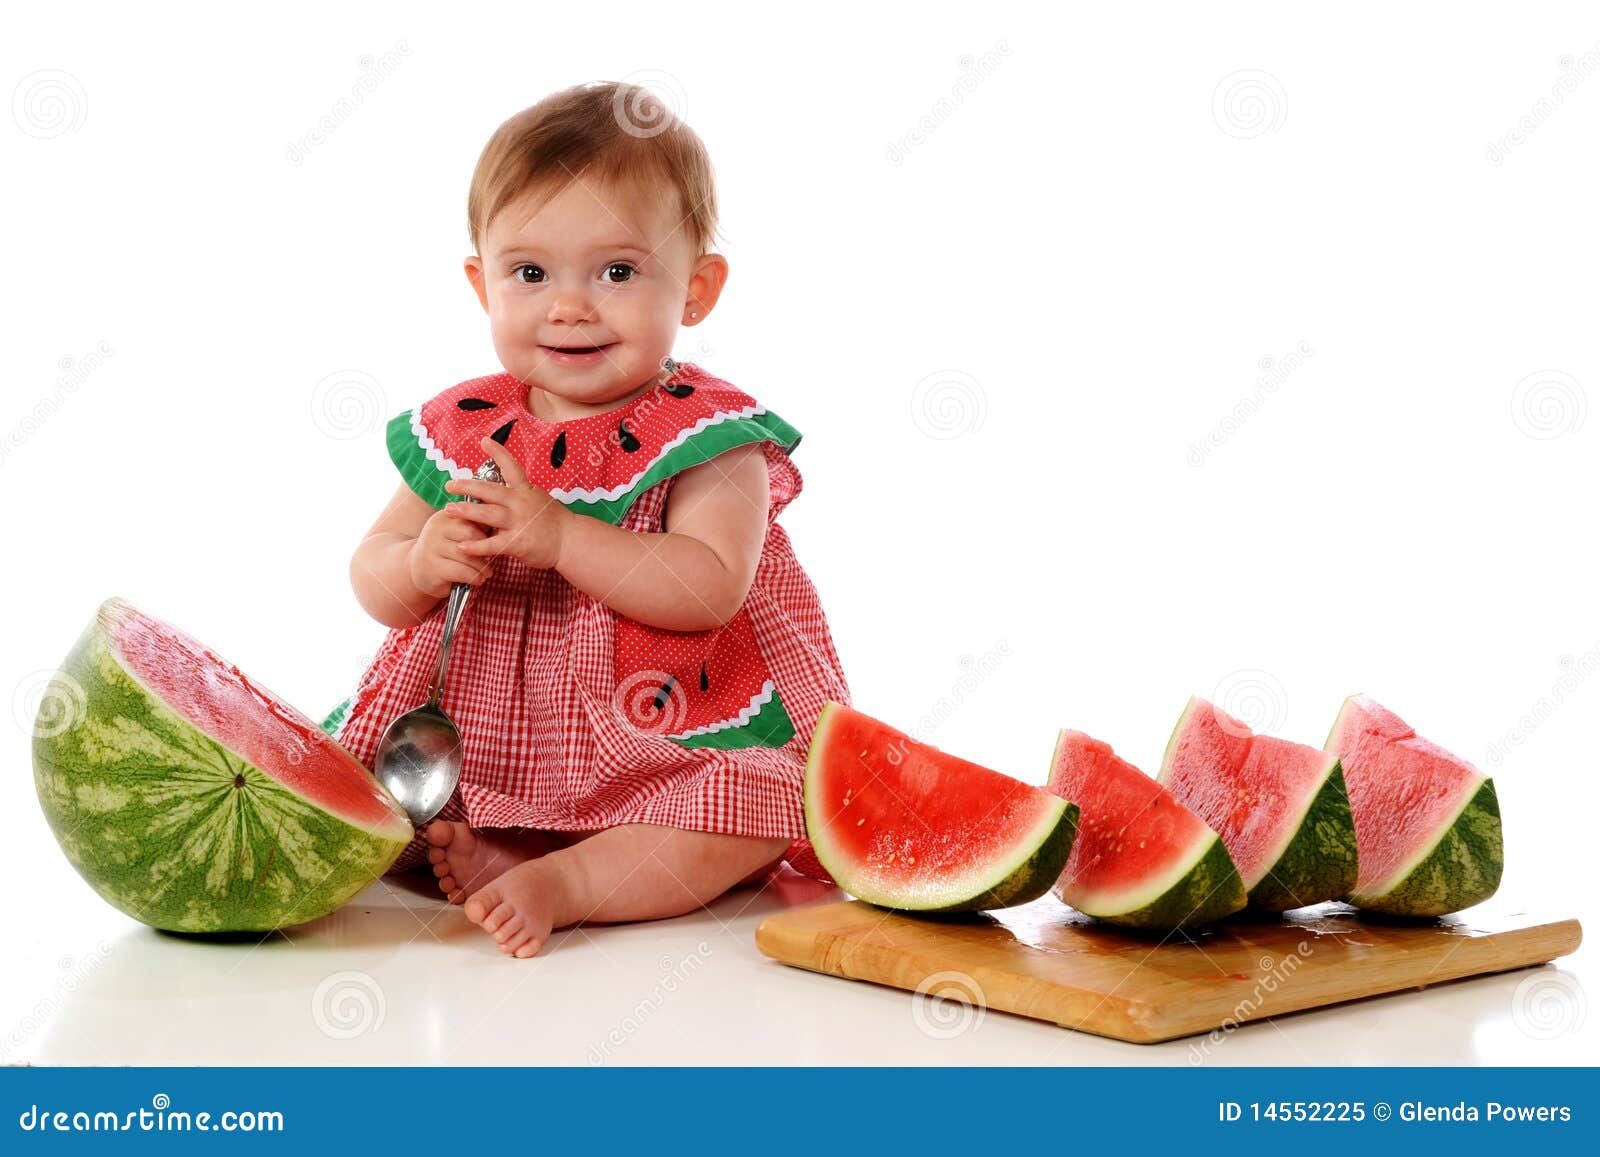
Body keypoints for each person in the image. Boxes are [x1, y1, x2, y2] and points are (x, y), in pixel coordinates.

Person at [322, 81, 849, 958]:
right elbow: (371, 567)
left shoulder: (712, 438)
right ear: (480, 283)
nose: (570, 305)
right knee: (376, 803)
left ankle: (569, 880)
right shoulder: (466, 427)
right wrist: (417, 563)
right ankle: (493, 846)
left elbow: (710, 586)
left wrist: (563, 536)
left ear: (698, 288)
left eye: (617, 272)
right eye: (530, 273)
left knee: (755, 813)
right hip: (480, 739)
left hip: (662, 733)